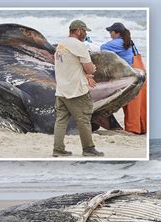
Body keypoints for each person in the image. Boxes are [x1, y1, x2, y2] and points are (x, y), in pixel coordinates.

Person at [53, 20, 104, 157]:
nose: (86, 34)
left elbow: (69, 66)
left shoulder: (61, 45)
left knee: (61, 120)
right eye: (85, 31)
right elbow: (88, 67)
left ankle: (58, 149)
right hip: (76, 89)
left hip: (61, 89)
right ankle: (88, 149)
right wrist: (91, 71)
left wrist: (87, 75)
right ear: (78, 31)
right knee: (84, 119)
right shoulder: (79, 45)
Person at [101, 22, 147, 135]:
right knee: (141, 105)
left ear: (117, 33)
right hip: (141, 72)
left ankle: (133, 129)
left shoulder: (117, 43)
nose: (110, 34)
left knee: (131, 104)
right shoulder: (129, 42)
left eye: (111, 32)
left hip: (133, 76)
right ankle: (142, 128)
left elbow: (102, 48)